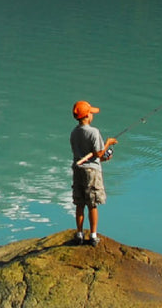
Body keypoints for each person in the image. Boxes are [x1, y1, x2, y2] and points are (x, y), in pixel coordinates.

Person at [70, 100, 117, 246]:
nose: (92, 115)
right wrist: (108, 143)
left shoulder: (74, 133)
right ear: (87, 116)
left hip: (78, 169)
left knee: (79, 203)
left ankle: (79, 233)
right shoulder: (94, 132)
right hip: (92, 173)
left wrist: (103, 158)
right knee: (92, 204)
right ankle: (93, 235)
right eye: (91, 113)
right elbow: (98, 153)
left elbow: (86, 156)